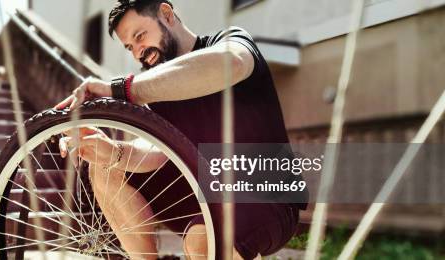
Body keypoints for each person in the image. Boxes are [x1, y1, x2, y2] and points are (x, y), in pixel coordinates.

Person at [55, 1, 307, 259]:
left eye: (140, 36)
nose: (137, 52)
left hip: (266, 195)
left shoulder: (228, 41)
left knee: (203, 242)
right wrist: (115, 151)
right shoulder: (157, 84)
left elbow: (232, 63)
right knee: (104, 166)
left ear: (166, 14)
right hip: (204, 191)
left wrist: (122, 89)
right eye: (129, 47)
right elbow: (159, 152)